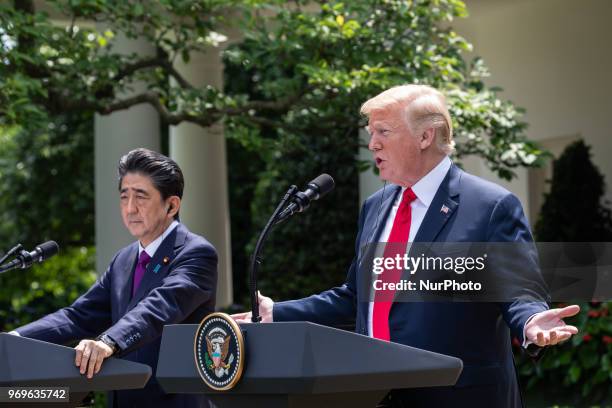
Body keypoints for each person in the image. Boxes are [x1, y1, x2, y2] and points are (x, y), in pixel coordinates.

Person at [233, 85, 580, 408]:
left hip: (458, 396)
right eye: (371, 133)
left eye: (383, 131)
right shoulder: (375, 207)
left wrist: (532, 318)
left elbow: (518, 288)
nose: (372, 145)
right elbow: (357, 297)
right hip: (375, 393)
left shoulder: (490, 206)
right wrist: (276, 312)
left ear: (426, 136)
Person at [9, 148, 217, 408]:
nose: (130, 208)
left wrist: (108, 342)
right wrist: (14, 340)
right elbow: (79, 316)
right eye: (124, 197)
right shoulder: (124, 259)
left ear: (171, 205)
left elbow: (158, 308)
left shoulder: (196, 253)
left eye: (141, 197)